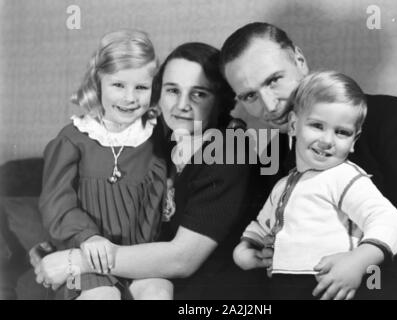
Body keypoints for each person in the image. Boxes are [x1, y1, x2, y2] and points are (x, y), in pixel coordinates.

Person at [220, 22, 397, 299]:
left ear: (300, 61)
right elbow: (263, 233)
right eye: (249, 96)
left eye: (273, 80)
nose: (269, 105)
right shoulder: (275, 156)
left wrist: (362, 270)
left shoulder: (390, 118)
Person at [32, 42, 253, 299]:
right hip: (144, 272)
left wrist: (75, 259)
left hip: (209, 289)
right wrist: (58, 245)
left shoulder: (231, 149)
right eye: (172, 90)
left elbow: (183, 260)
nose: (181, 105)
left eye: (199, 94)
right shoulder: (156, 134)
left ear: (220, 100)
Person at [233, 71, 397, 300]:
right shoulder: (283, 186)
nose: (327, 140)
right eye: (317, 125)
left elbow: (389, 222)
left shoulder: (345, 177)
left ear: (354, 140)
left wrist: (358, 261)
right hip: (283, 288)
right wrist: (245, 253)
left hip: (328, 286)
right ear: (294, 125)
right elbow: (261, 227)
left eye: (342, 132)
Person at [38, 29, 173, 300]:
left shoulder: (156, 135)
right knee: (103, 296)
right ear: (97, 83)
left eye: (141, 87)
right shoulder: (73, 139)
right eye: (118, 85)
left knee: (160, 292)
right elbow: (56, 202)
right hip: (85, 257)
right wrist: (87, 237)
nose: (129, 98)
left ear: (154, 89)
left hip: (137, 258)